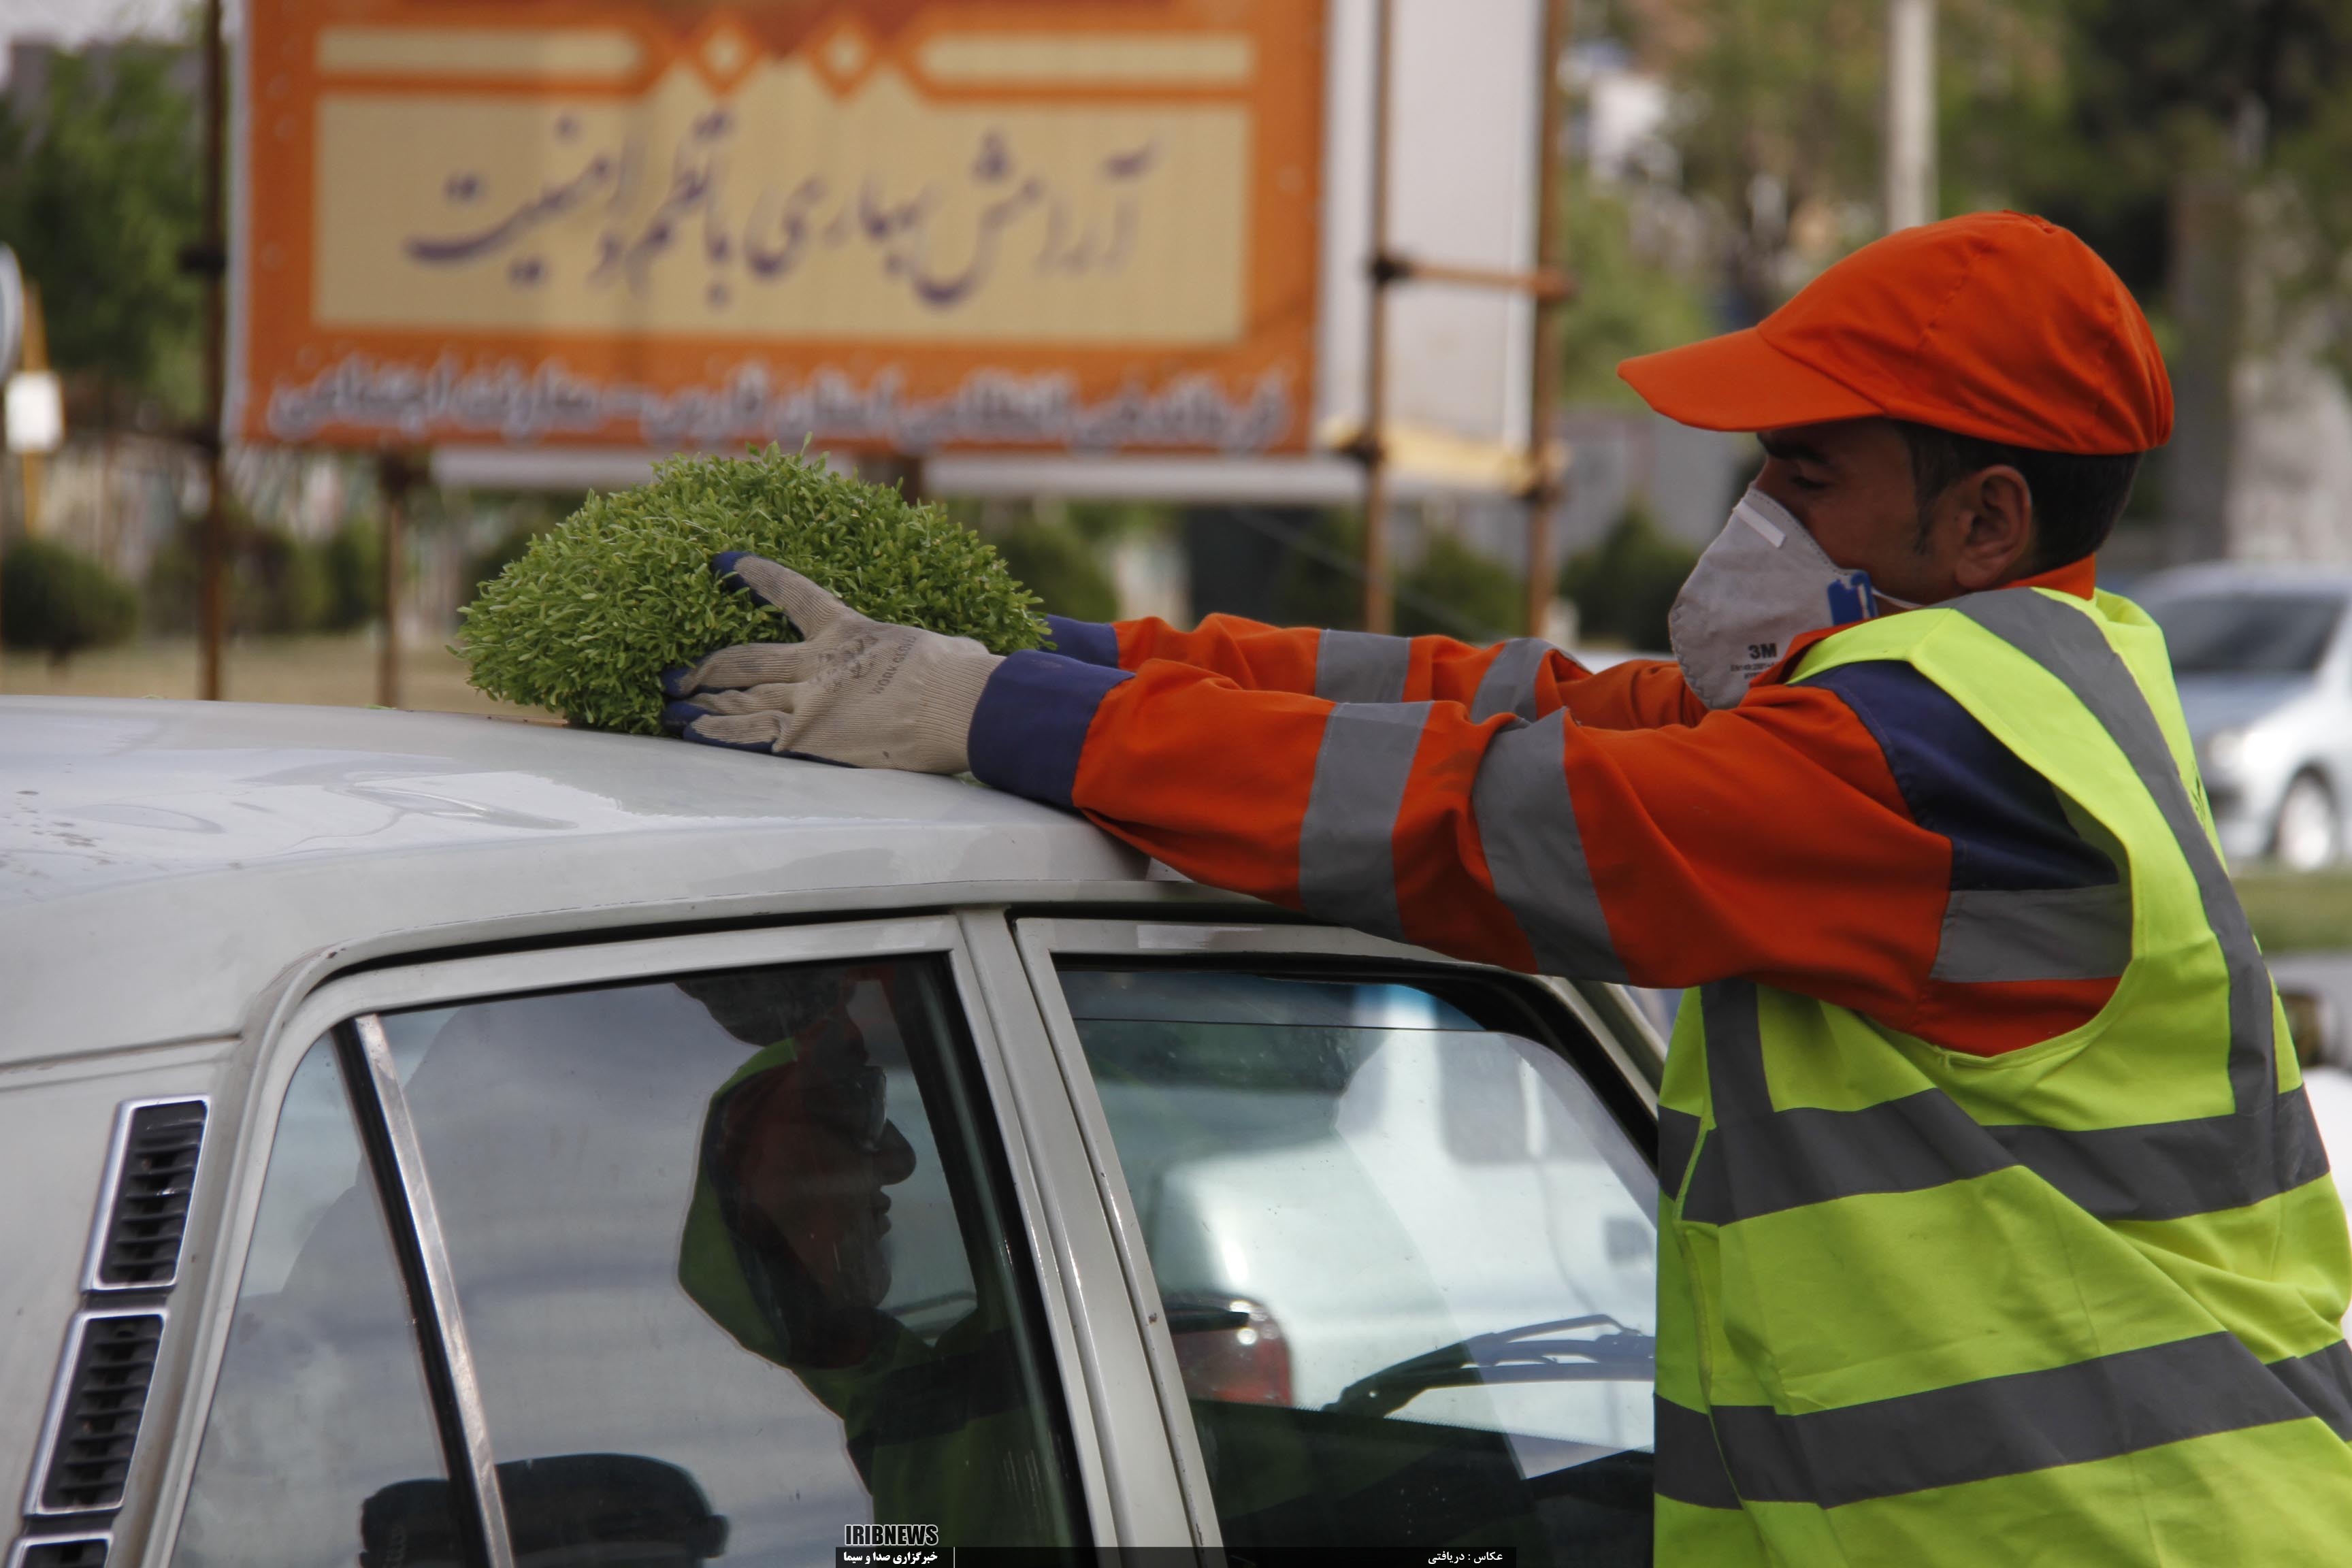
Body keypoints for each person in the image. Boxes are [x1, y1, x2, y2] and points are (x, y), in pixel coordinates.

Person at [659, 212, 2352, 1564]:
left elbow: (1489, 816)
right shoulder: (1950, 702)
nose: (1750, 509)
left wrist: (990, 713)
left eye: (1805, 473)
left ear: (1980, 521)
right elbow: (1482, 706)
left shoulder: (1932, 758)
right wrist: (1045, 658)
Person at [672, 967, 1064, 1546]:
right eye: (858, 1111)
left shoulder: (902, 1429)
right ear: (757, 1201)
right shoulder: (905, 1432)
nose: (899, 1160)